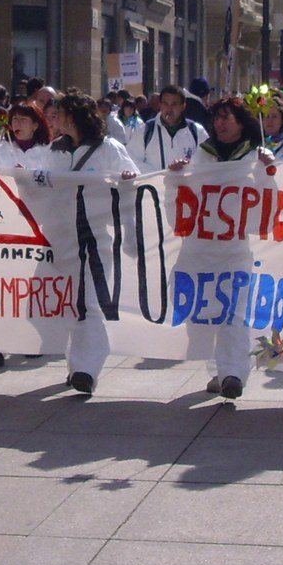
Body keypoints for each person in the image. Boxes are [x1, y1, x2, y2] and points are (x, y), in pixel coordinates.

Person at [182, 97, 274, 400]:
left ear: (240, 121)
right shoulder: (203, 153)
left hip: (237, 248)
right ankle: (219, 371)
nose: (219, 124)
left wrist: (269, 170)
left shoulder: (255, 155)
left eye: (226, 118)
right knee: (210, 311)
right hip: (204, 248)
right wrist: (175, 176)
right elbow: (188, 191)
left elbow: (270, 200)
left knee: (234, 310)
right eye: (216, 118)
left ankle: (234, 372)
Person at [50, 93, 139, 396]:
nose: (55, 119)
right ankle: (77, 364)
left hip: (96, 238)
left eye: (59, 113)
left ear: (73, 117)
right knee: (73, 302)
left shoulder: (109, 149)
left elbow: (135, 185)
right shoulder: (56, 151)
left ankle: (87, 367)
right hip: (63, 238)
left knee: (89, 302)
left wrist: (128, 179)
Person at [134, 84, 206, 170]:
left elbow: (208, 163)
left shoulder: (197, 132)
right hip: (155, 183)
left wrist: (187, 167)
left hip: (187, 183)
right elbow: (131, 162)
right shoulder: (145, 131)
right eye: (165, 104)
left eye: (174, 104)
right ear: (160, 105)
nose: (169, 109)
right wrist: (163, 174)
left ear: (183, 106)